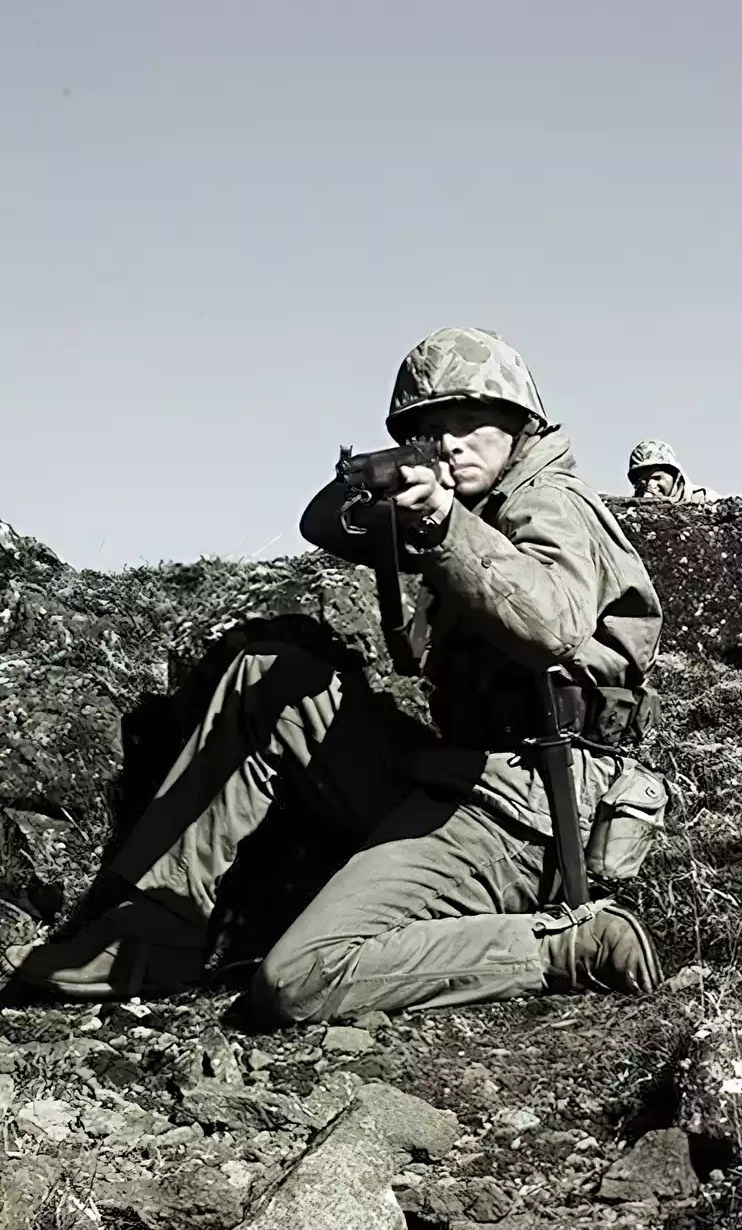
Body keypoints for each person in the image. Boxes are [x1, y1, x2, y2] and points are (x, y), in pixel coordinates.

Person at [4, 328, 669, 1021]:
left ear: (519, 421)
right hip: (460, 773)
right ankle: (153, 930)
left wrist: (443, 522)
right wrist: (379, 477)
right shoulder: (472, 505)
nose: (450, 443)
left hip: (535, 808)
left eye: (470, 419)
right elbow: (321, 524)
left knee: (300, 978)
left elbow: (551, 626)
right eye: (429, 428)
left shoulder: (548, 502)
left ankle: (570, 944)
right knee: (269, 677)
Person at [626, 441, 709, 504]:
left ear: (674, 475)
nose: (651, 486)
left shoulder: (705, 500)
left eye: (657, 478)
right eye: (643, 481)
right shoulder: (632, 508)